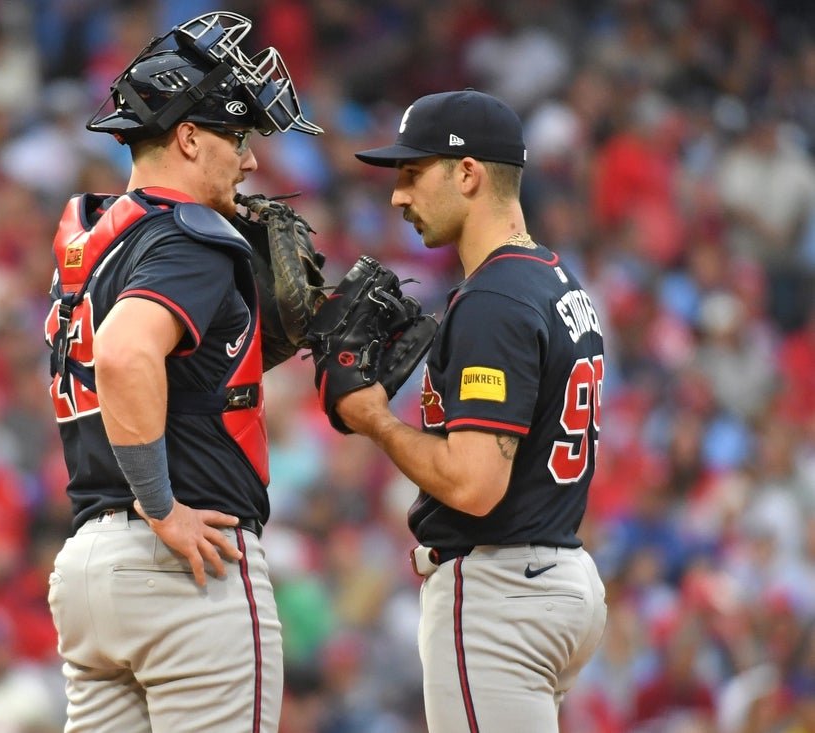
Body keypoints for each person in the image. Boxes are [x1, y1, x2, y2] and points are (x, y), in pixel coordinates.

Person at [42, 12, 322, 733]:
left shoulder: (98, 238)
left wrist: (254, 340)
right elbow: (127, 352)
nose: (251, 161)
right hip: (183, 560)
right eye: (238, 136)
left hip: (89, 570)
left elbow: (163, 366)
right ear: (190, 137)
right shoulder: (190, 237)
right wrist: (161, 506)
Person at [334, 89, 608, 732]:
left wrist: (375, 418)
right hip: (554, 574)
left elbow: (474, 484)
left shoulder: (493, 298)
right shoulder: (554, 280)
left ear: (467, 173)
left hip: (500, 590)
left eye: (412, 172)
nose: (398, 195)